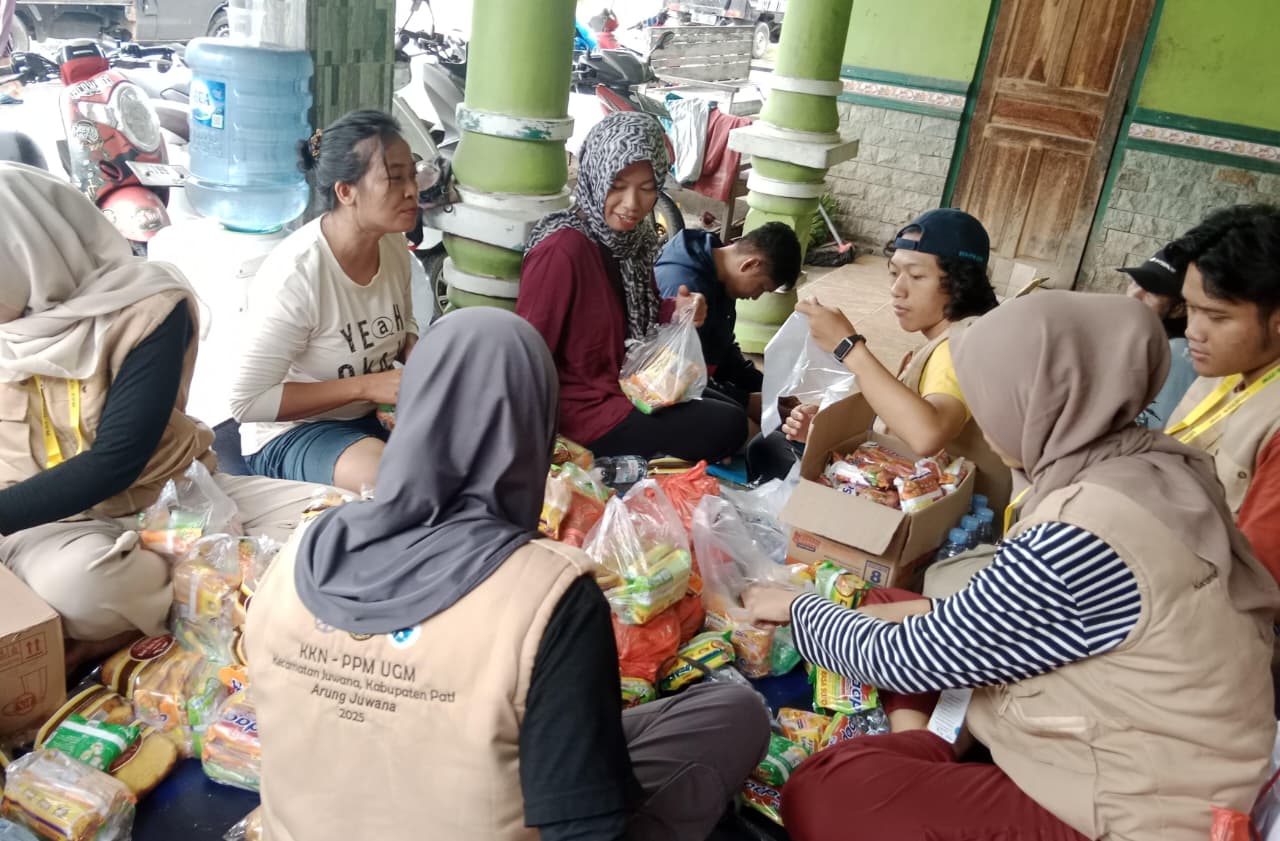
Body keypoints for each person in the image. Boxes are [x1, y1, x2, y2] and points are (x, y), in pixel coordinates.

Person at [742, 290, 1279, 841]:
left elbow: (902, 659)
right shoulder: (1154, 461)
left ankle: (926, 746)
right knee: (886, 603)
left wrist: (798, 608)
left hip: (1142, 805)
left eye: (993, 400)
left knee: (827, 789)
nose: (985, 422)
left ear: (1041, 402)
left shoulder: (1083, 528)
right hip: (1144, 719)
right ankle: (928, 741)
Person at [247, 307, 770, 841]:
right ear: (537, 429)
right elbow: (589, 831)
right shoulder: (548, 592)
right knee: (732, 713)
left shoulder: (300, 549)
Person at [0, 163, 325, 665]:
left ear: (26, 250)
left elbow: (118, 460)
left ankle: (150, 610)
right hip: (48, 526)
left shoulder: (146, 306)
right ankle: (204, 587)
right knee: (84, 586)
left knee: (342, 521)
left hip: (170, 496)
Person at [519, 111, 748, 463]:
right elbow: (527, 354)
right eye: (618, 186)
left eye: (646, 189)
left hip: (629, 383)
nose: (632, 204)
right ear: (596, 176)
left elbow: (632, 313)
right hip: (584, 411)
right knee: (730, 424)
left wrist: (677, 310)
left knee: (724, 404)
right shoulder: (562, 250)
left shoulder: (635, 239)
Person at [749, 209, 1010, 511]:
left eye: (916, 276)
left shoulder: (957, 347)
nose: (896, 289)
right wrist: (826, 429)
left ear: (961, 281)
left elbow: (928, 434)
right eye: (894, 272)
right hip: (915, 480)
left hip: (931, 504)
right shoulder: (973, 333)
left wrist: (847, 346)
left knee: (767, 449)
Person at [230, 110, 419, 493]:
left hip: (371, 415)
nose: (412, 190)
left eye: (413, 175)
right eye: (394, 179)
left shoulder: (393, 242)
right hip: (295, 431)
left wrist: (423, 361)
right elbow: (246, 403)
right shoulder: (297, 276)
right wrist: (366, 386)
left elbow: (402, 328)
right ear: (345, 191)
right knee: (392, 483)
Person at [1164, 204, 1280, 584]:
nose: (1194, 331)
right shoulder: (1225, 369)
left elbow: (1260, 581)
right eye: (1190, 309)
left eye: (1217, 317)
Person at [654, 222, 802, 421]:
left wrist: (767, 389)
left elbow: (721, 349)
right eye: (761, 287)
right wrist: (746, 402)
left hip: (692, 378)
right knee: (735, 423)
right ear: (750, 264)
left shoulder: (719, 272)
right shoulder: (685, 286)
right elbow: (672, 376)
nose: (756, 296)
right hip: (658, 390)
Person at [1118, 246, 1197, 428]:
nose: (1135, 296)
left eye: (1151, 292)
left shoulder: (1178, 356)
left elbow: (1154, 428)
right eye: (1136, 283)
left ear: (1178, 309)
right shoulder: (1140, 339)